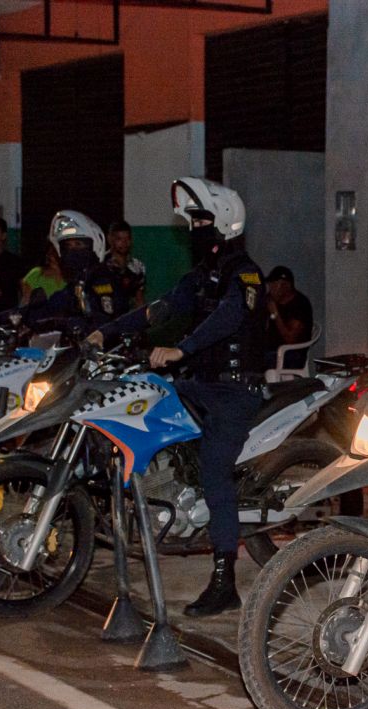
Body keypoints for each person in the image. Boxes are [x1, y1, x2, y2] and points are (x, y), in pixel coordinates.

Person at [100, 177, 268, 618]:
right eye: (191, 221)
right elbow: (161, 308)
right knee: (141, 401)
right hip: (200, 383)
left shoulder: (245, 274)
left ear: (225, 221)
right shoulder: (201, 275)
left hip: (235, 391)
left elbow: (230, 316)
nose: (195, 228)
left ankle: (225, 581)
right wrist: (107, 332)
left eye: (201, 220)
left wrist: (182, 349)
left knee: (215, 472)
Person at [21, 210, 144, 333]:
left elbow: (103, 323)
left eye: (78, 244)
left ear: (94, 246)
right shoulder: (78, 284)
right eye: (67, 247)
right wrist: (19, 315)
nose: (72, 251)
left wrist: (66, 323)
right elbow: (55, 305)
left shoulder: (102, 281)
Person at [262, 265, 313, 370]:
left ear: (286, 286)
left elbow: (290, 339)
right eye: (270, 284)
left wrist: (275, 313)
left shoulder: (300, 304)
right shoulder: (271, 299)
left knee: (263, 359)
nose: (271, 288)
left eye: (274, 284)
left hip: (292, 353)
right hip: (271, 349)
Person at [100, 220, 147, 307]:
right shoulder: (101, 263)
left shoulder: (137, 266)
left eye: (127, 238)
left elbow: (139, 298)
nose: (124, 243)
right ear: (110, 239)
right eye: (119, 239)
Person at [20, 242, 66, 306]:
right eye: (49, 253)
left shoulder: (73, 276)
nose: (50, 256)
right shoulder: (36, 273)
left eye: (54, 253)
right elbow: (25, 303)